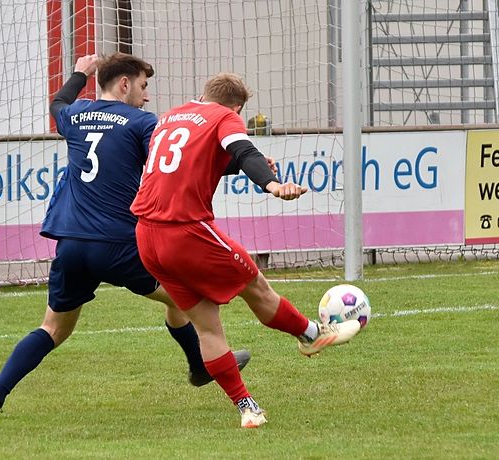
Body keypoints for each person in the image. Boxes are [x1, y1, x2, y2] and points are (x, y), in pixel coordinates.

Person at [0, 54, 249, 419]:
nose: (146, 96)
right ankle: (201, 367)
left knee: (53, 328)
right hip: (120, 244)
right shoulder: (142, 122)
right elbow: (179, 161)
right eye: (143, 86)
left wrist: (78, 74)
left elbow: (58, 103)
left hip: (71, 242)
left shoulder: (76, 114)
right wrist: (240, 164)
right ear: (124, 84)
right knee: (189, 299)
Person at [131, 73, 362, 429]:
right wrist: (272, 184)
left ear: (204, 95)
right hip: (185, 231)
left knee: (207, 326)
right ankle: (312, 335)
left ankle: (248, 408)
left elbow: (188, 162)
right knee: (256, 287)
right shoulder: (225, 116)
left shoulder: (171, 116)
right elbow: (243, 150)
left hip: (146, 237)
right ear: (237, 107)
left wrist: (240, 165)